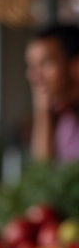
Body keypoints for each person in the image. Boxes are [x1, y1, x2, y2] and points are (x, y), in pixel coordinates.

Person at [26, 23, 79, 163]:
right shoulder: (67, 123)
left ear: (76, 66)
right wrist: (43, 113)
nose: (33, 76)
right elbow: (42, 176)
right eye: (32, 66)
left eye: (46, 63)